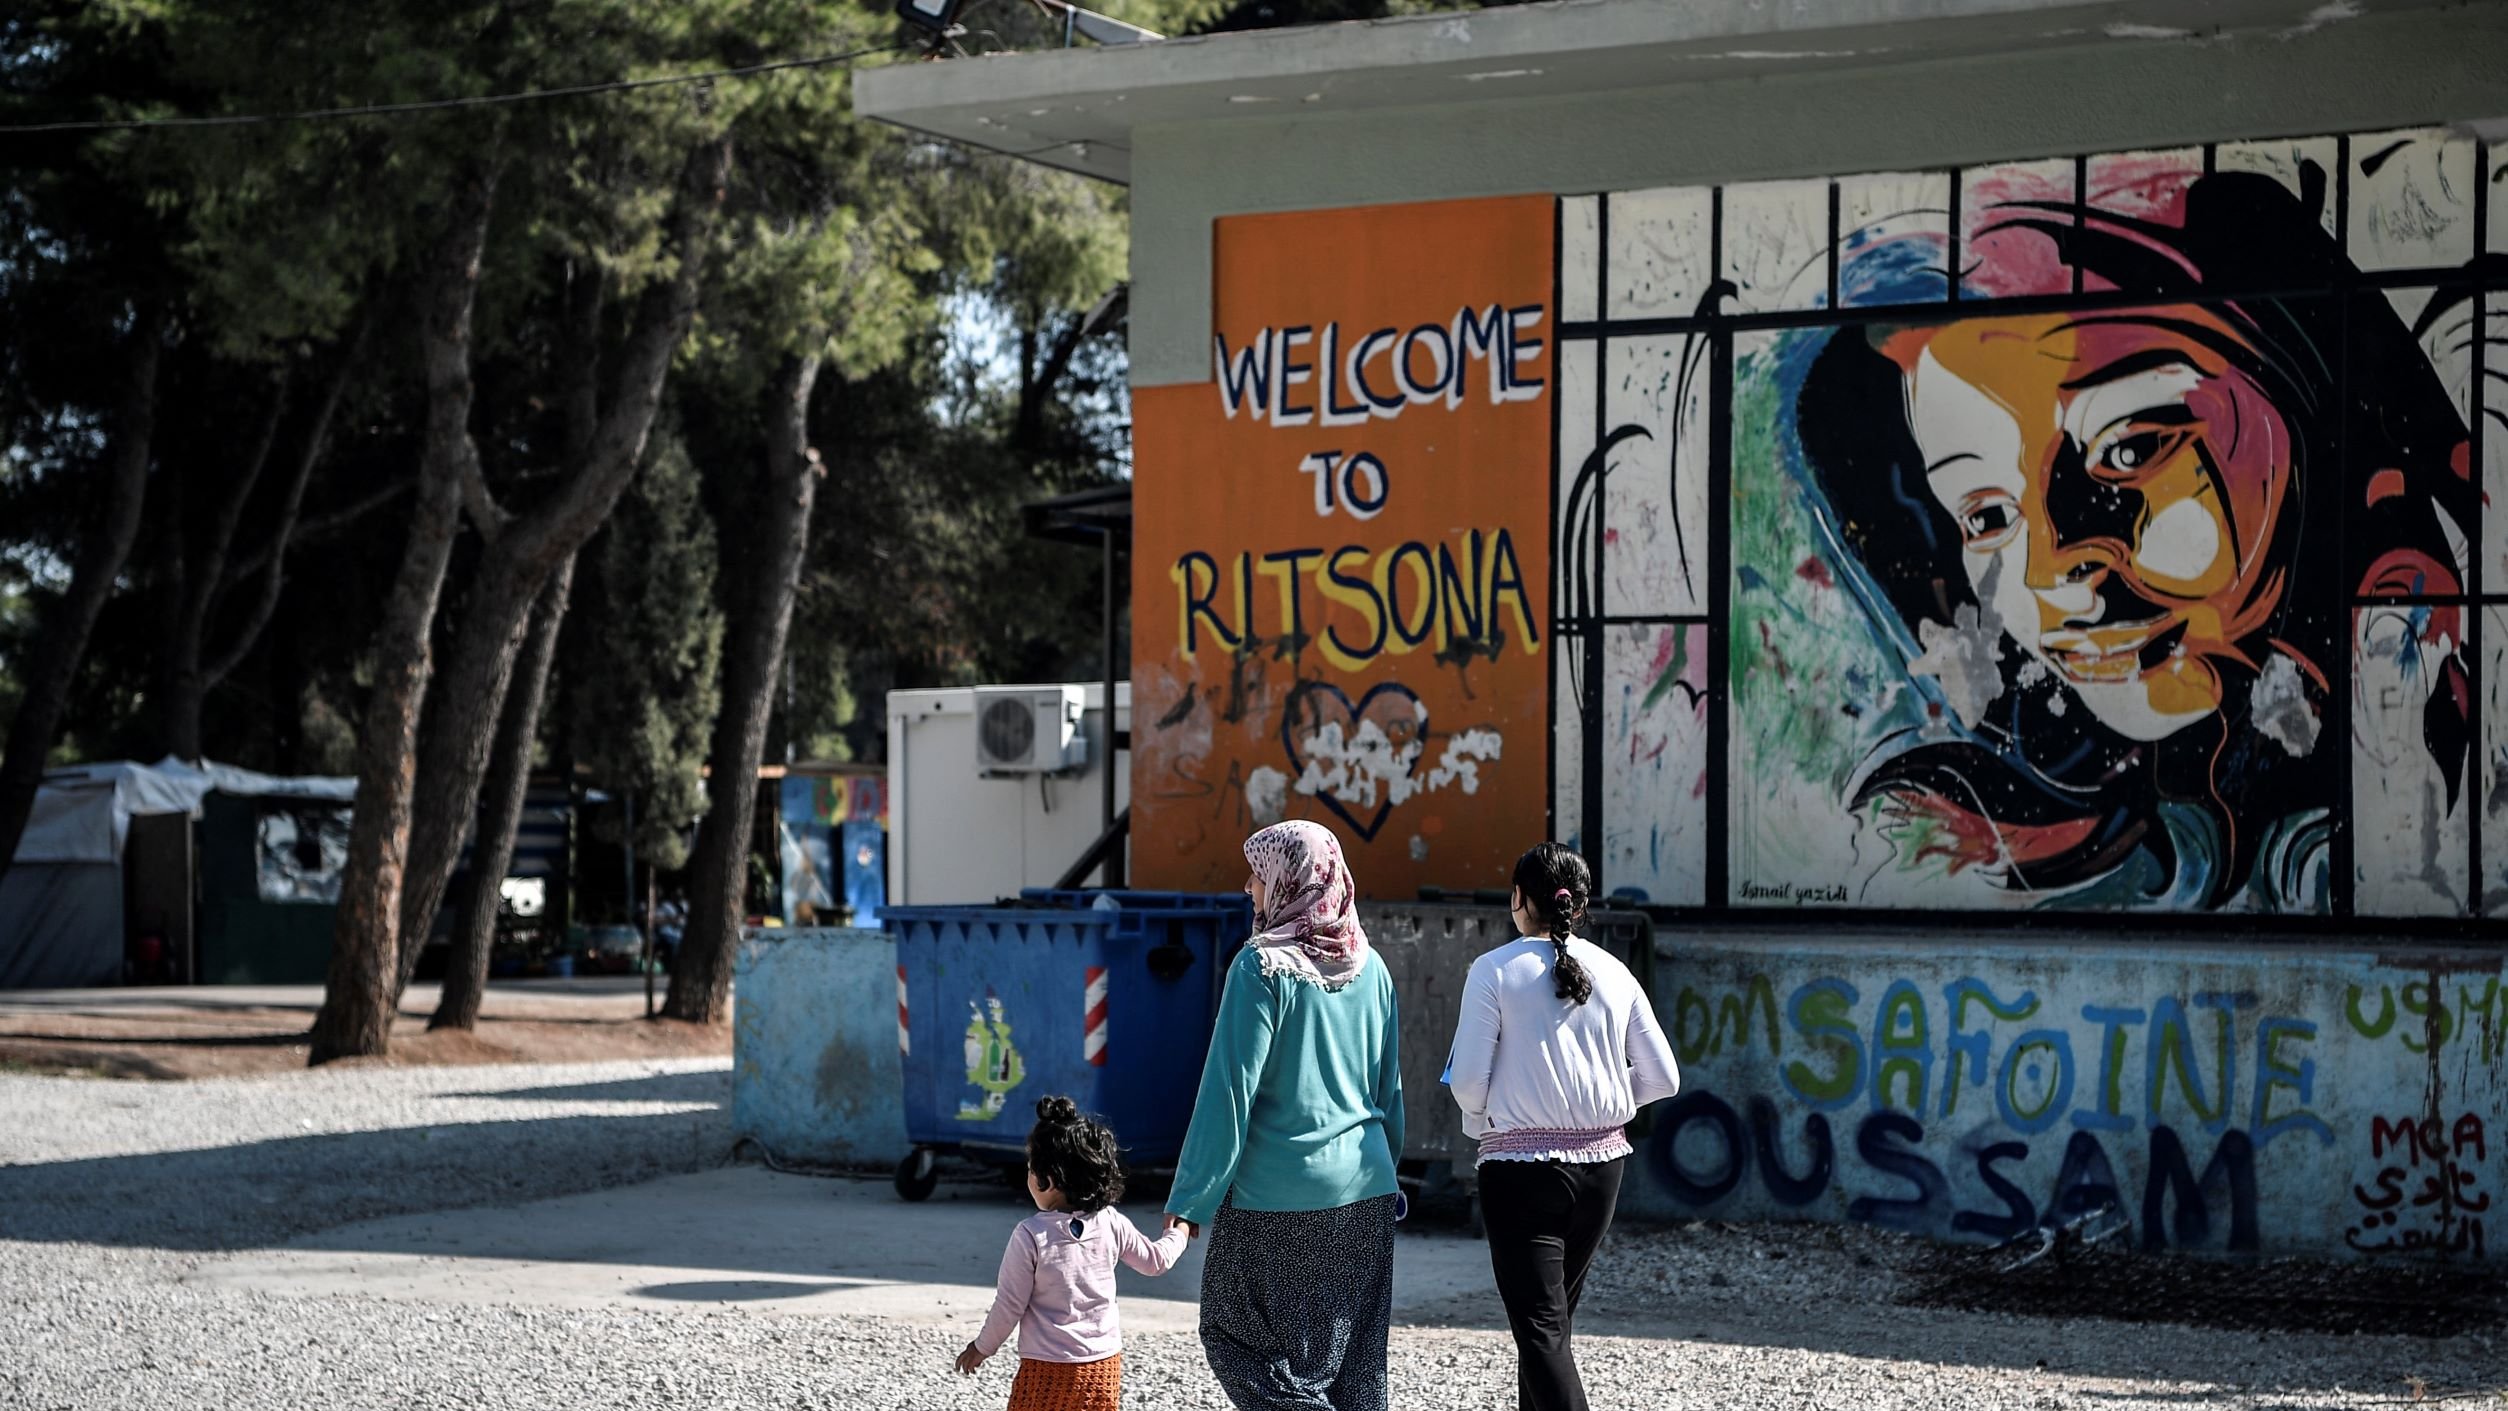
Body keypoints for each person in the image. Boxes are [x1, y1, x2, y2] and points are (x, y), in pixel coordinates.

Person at [1786, 161, 2476, 907]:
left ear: (2304, 418)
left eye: (2129, 450)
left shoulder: (2427, 764)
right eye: (1985, 516)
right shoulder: (1989, 838)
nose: (2052, 568)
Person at [1165, 819, 1405, 1411]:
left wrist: (1190, 1203)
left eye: (1258, 873)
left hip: (1280, 1195)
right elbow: (1389, 1096)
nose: (1249, 886)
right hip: (1368, 1189)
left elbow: (1228, 1095)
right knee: (1354, 1369)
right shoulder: (1371, 968)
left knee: (1234, 1338)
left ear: (1289, 880)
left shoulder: (1261, 968)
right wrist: (1379, 1174)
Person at [1446, 843, 1679, 1411]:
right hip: (1603, 1172)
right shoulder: (1616, 971)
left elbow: (1468, 1083)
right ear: (1579, 904)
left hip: (1519, 1176)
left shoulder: (1493, 971)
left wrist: (1485, 1123)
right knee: (1552, 1325)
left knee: (1541, 1330)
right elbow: (1664, 1078)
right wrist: (1601, 1108)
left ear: (1518, 899)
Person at [956, 1095, 1190, 1411]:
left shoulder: (1030, 1235)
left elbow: (1010, 1304)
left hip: (1047, 1368)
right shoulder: (1110, 1221)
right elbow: (1156, 1261)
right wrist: (1180, 1231)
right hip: (1103, 1366)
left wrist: (982, 1347)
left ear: (1046, 1180)